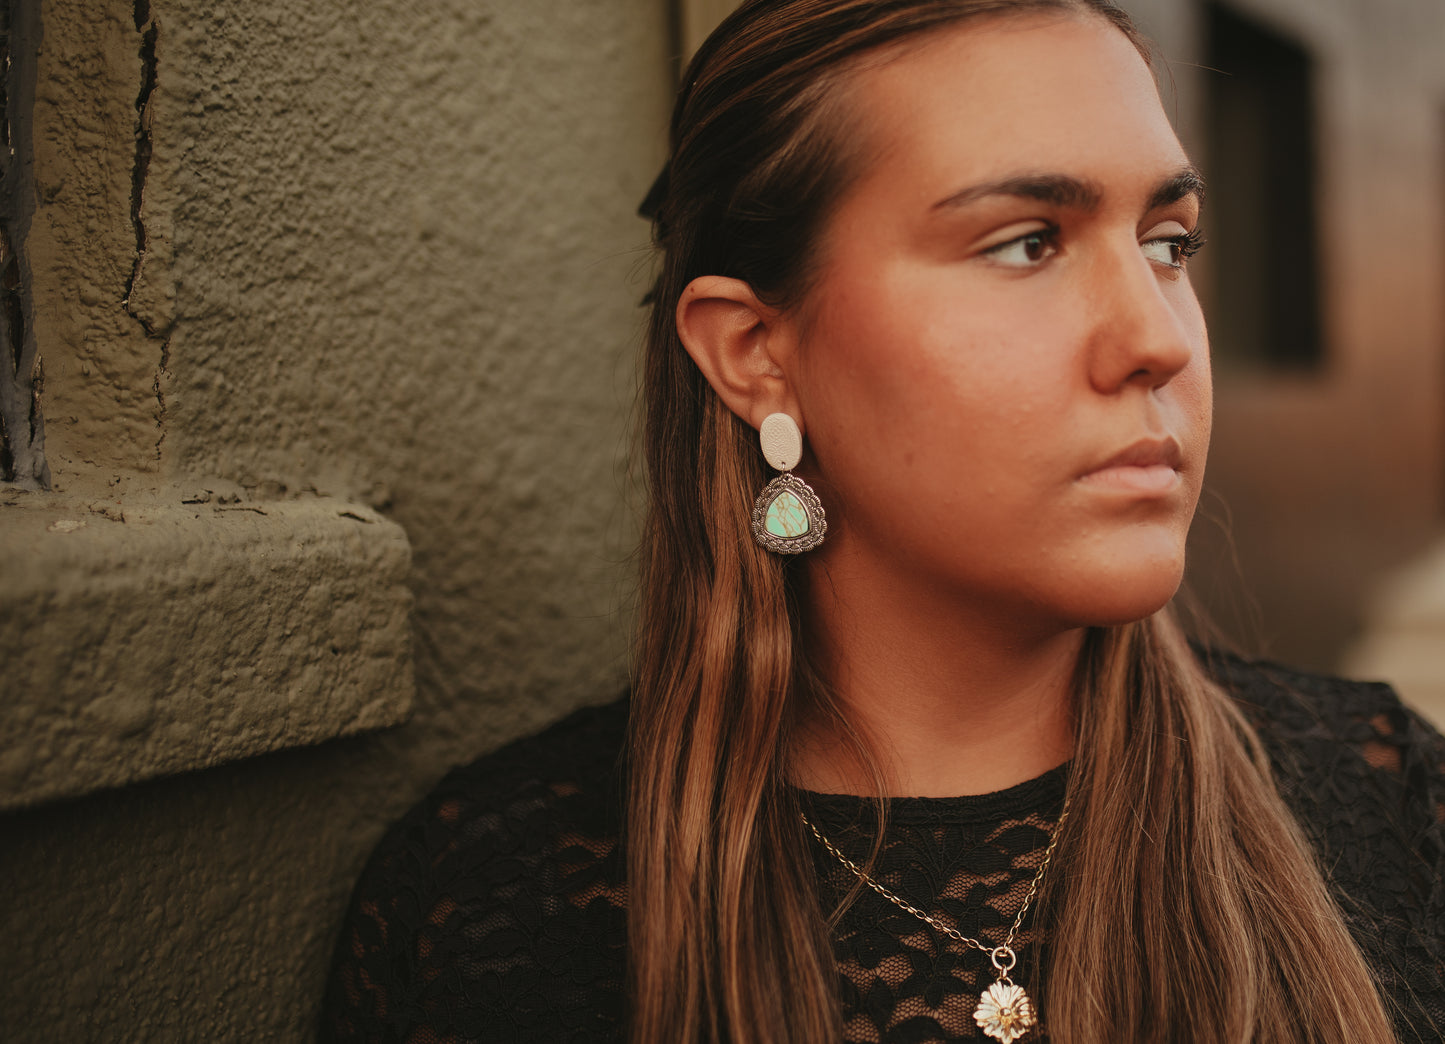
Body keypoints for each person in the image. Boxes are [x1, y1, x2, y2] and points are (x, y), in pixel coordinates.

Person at [320, 1, 1445, 1041]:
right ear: (757, 354)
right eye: (1025, 243)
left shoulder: (1384, 805)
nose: (1154, 340)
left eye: (1168, 243)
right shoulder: (494, 903)